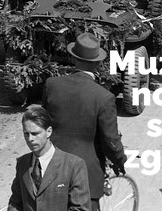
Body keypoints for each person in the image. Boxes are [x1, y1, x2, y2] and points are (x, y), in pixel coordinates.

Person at [42, 33, 127, 211]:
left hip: (52, 167)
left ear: (74, 58)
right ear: (98, 63)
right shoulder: (104, 97)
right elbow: (110, 140)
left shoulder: (52, 85)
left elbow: (42, 124)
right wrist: (119, 160)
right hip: (86, 176)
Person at [7, 105, 91, 211]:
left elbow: (80, 208)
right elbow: (15, 203)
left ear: (49, 131)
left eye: (35, 133)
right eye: (26, 134)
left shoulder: (73, 165)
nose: (30, 139)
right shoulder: (22, 163)